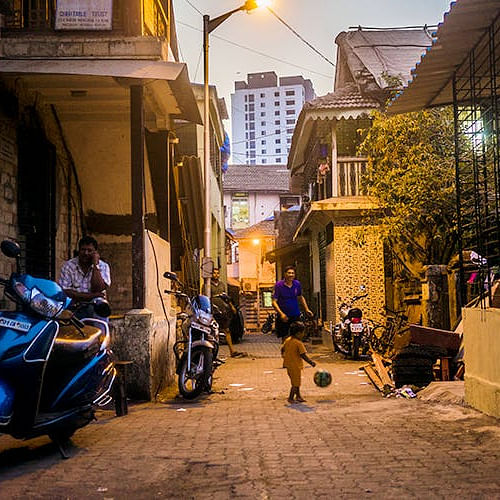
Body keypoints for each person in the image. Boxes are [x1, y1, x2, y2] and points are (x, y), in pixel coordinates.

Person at [59, 236, 111, 318]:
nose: (86, 253)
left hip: (95, 305)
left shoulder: (103, 266)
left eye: (89, 250)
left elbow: (99, 288)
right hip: (73, 305)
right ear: (78, 250)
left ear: (95, 252)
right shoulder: (68, 266)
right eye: (83, 249)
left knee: (101, 309)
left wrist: (95, 265)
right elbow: (66, 292)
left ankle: (102, 331)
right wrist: (93, 296)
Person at [210, 268, 245, 358]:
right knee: (212, 332)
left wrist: (231, 306)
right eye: (214, 273)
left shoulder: (222, 285)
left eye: (218, 273)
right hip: (212, 310)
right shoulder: (207, 285)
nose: (216, 275)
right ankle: (212, 353)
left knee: (227, 330)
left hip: (222, 310)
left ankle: (232, 351)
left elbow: (226, 297)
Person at [272, 265, 313, 341]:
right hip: (284, 317)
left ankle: (295, 352)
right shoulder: (279, 285)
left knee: (297, 337)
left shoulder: (297, 284)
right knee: (285, 338)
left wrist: (307, 309)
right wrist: (281, 314)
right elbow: (274, 302)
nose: (291, 275)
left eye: (292, 273)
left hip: (295, 315)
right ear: (285, 274)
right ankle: (286, 352)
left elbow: (300, 297)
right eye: (289, 273)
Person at [281, 321, 316, 403]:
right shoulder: (298, 343)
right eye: (302, 332)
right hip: (295, 366)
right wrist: (311, 362)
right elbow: (303, 355)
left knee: (295, 381)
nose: (303, 334)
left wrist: (284, 356)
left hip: (288, 365)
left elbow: (282, 349)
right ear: (298, 333)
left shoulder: (288, 340)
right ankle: (291, 398)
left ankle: (298, 396)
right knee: (295, 384)